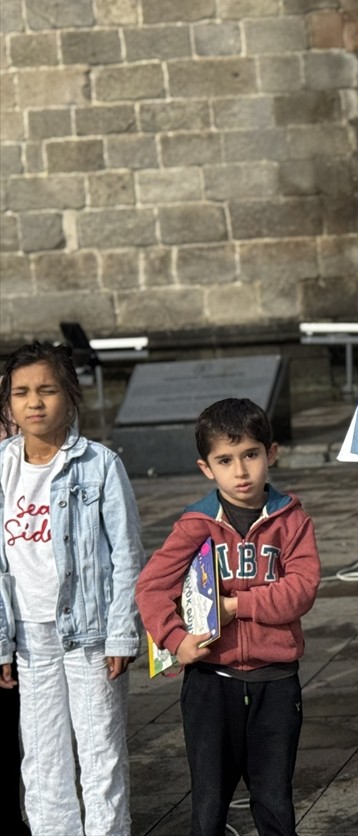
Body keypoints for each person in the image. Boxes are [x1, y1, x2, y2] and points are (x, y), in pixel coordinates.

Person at [136, 398, 321, 836]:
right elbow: (151, 588)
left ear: (270, 453)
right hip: (209, 685)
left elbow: (301, 589)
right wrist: (175, 639)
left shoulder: (291, 522)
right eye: (225, 460)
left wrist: (236, 606)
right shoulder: (195, 524)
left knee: (274, 798)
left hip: (276, 681)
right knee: (209, 803)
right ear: (207, 469)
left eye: (250, 455)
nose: (240, 472)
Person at [0, 342, 145, 836]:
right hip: (29, 638)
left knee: (100, 753)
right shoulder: (2, 466)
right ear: (8, 403)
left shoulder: (99, 464)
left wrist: (123, 634)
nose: (34, 402)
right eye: (21, 392)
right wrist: (3, 640)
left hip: (90, 637)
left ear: (71, 396)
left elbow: (127, 555)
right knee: (42, 759)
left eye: (47, 390)